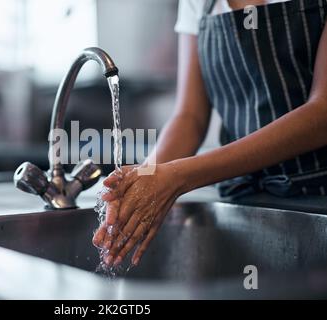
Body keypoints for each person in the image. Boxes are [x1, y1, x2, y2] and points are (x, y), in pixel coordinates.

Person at [93, 0, 327, 267]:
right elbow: (189, 117)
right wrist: (146, 181)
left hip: (318, 199)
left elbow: (321, 114)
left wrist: (179, 176)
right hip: (244, 201)